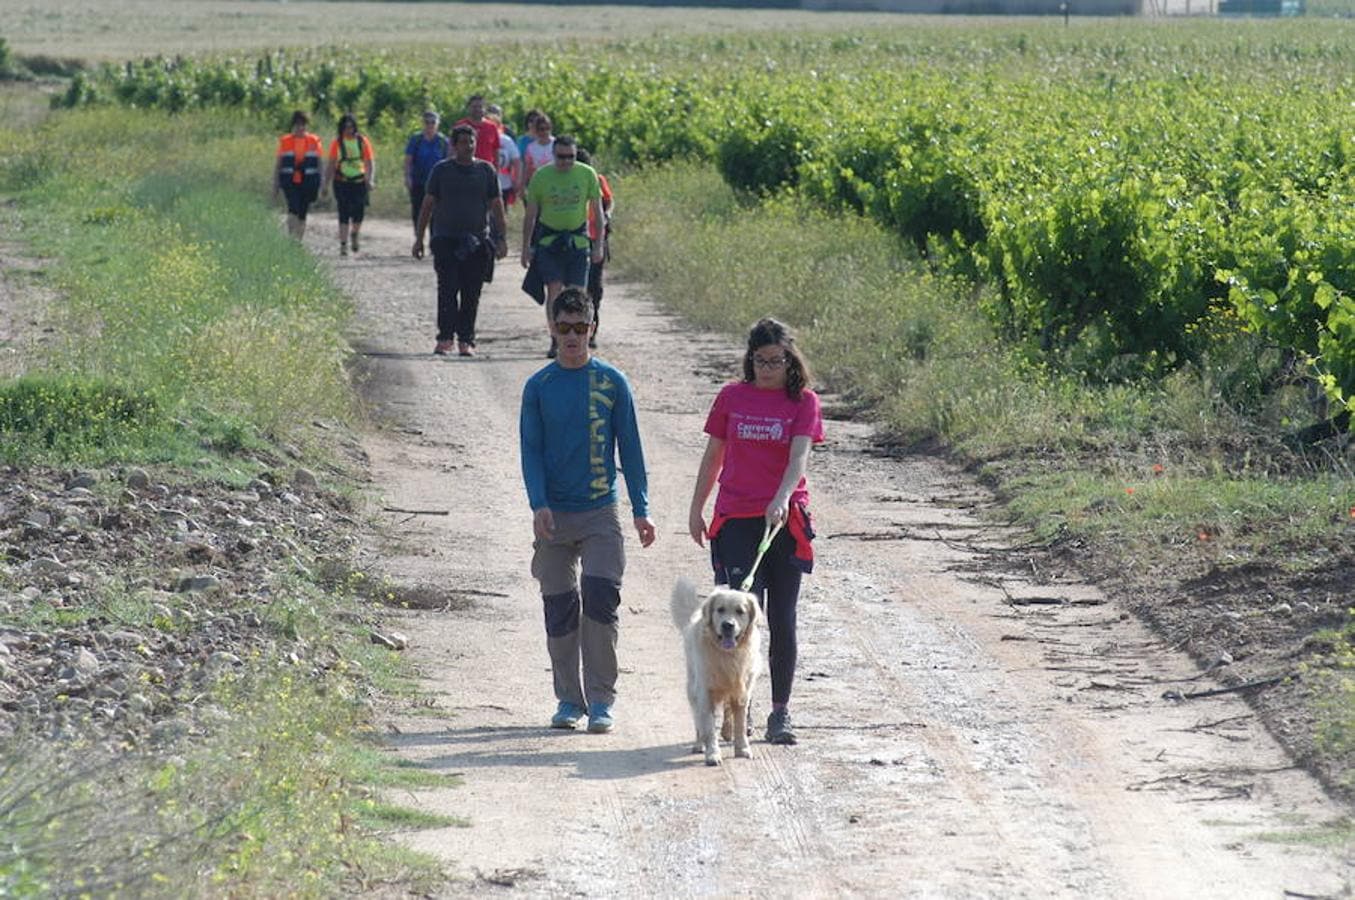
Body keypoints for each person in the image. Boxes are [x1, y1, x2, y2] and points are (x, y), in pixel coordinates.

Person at [519, 287, 656, 734]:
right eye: (564, 328)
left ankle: (601, 701)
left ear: (593, 328)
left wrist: (641, 509)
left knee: (600, 601)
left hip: (601, 512)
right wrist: (538, 503)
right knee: (559, 608)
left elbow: (631, 449)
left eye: (581, 327)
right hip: (554, 516)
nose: (573, 336)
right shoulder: (538, 387)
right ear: (552, 329)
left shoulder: (612, 383)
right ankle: (568, 701)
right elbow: (531, 450)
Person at [687, 318, 824, 746]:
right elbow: (713, 456)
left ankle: (779, 712)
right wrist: (697, 508)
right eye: (760, 361)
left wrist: (783, 498)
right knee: (734, 622)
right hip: (735, 520)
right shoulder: (732, 396)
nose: (767, 369)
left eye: (775, 361)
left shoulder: (803, 402)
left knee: (780, 618)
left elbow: (798, 458)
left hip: (782, 521)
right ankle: (734, 714)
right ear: (750, 359)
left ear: (790, 359)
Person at [412, 124, 508, 357]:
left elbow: (497, 206)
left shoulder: (486, 171)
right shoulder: (442, 171)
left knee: (471, 292)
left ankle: (466, 340)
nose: (469, 146)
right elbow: (427, 204)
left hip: (477, 242)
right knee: (447, 289)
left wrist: (502, 238)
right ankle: (445, 338)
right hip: (445, 239)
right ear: (454, 145)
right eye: (463, 142)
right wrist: (420, 238)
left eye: (471, 142)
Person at [520, 134, 605, 358]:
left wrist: (598, 246)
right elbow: (530, 216)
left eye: (571, 157)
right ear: (553, 154)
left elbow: (598, 213)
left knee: (578, 294)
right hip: (549, 243)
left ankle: (579, 339)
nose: (566, 162)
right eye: (561, 157)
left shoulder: (587, 174)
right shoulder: (541, 176)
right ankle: (556, 339)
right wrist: (526, 247)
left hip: (578, 242)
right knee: (555, 291)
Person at [322, 113, 375, 257]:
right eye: (346, 127)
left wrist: (370, 179)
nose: (349, 130)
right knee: (343, 212)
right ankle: (343, 245)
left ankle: (355, 233)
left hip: (359, 182)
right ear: (341, 128)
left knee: (359, 212)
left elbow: (369, 162)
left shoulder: (362, 141)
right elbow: (331, 164)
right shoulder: (337, 143)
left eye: (351, 127)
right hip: (342, 181)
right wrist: (325, 184)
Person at [575, 148, 613, 350]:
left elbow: (608, 202)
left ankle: (590, 330)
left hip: (595, 238)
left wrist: (605, 217)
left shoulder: (597, 179)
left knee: (593, 288)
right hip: (578, 238)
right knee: (584, 287)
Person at [271, 110, 323, 239]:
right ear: (293, 125)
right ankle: (291, 238)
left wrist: (322, 183)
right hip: (290, 181)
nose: (300, 128)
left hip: (308, 182)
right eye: (297, 124)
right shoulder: (285, 141)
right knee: (293, 207)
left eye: (303, 124)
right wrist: (275, 185)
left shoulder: (314, 141)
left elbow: (320, 163)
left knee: (303, 211)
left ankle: (298, 241)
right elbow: (278, 164)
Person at [403, 109, 449, 237]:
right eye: (427, 122)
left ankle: (434, 239)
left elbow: (449, 161)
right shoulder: (416, 140)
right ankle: (419, 237)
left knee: (437, 213)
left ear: (437, 124)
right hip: (418, 181)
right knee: (418, 211)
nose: (430, 125)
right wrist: (407, 177)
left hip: (437, 183)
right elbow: (408, 160)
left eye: (433, 122)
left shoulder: (443, 141)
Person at [487, 104, 521, 222]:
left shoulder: (507, 138)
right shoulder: (482, 137)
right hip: (485, 181)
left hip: (504, 182)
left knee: (500, 214)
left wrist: (516, 179)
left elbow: (516, 159)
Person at [455, 94, 501, 170]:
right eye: (474, 107)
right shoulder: (460, 125)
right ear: (468, 108)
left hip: (485, 171)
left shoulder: (492, 127)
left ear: (485, 109)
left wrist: (496, 172)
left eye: (480, 107)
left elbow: (496, 152)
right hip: (463, 170)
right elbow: (452, 149)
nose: (477, 109)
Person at [521, 113, 555, 187]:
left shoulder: (556, 144)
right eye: (542, 129)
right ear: (536, 130)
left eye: (547, 128)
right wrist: (523, 187)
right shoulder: (531, 148)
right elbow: (527, 169)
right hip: (538, 183)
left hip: (555, 181)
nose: (545, 132)